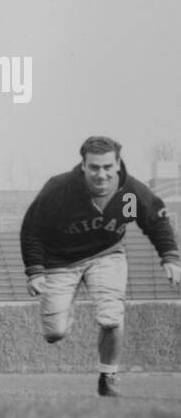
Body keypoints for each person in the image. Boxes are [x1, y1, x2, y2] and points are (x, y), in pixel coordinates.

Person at [20, 135, 181, 397]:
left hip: (107, 254)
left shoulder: (130, 192)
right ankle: (63, 308)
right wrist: (35, 270)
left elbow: (155, 222)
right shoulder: (60, 190)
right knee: (55, 332)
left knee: (112, 317)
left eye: (107, 167)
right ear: (83, 165)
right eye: (94, 167)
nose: (101, 174)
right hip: (61, 260)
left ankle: (108, 377)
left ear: (118, 163)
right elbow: (32, 230)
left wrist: (170, 257)